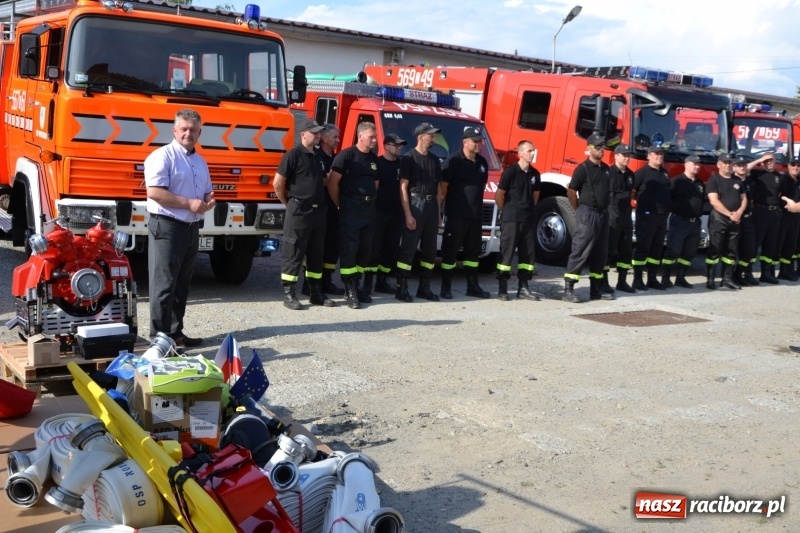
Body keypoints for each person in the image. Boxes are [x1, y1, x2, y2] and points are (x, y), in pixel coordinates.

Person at [145, 108, 215, 347]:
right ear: (175, 130)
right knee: (164, 285)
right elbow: (154, 192)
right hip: (167, 226)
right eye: (184, 129)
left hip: (191, 228)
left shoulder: (200, 161)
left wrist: (208, 199)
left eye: (193, 130)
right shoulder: (162, 156)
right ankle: (159, 340)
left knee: (182, 285)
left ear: (200, 132)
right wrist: (189, 203)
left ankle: (175, 334)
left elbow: (205, 190)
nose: (188, 133)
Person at [273, 119, 335, 310]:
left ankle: (315, 292)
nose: (317, 136)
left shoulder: (318, 156)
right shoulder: (293, 155)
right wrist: (289, 203)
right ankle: (289, 293)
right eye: (314, 133)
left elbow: (324, 181)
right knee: (294, 251)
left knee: (316, 253)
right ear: (303, 134)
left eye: (319, 133)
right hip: (299, 210)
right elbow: (278, 184)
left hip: (318, 211)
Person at [328, 122, 379, 309]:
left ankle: (357, 287)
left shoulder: (374, 159)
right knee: (350, 249)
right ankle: (350, 291)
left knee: (365, 249)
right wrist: (340, 204)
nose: (374, 140)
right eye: (371, 137)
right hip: (351, 206)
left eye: (375, 137)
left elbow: (376, 183)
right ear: (360, 136)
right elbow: (333, 183)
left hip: (369, 208)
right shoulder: (346, 155)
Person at [440, 126, 491, 299]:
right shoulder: (453, 161)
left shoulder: (482, 163)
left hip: (475, 217)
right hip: (456, 216)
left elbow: (481, 187)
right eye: (475, 141)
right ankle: (445, 287)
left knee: (472, 254)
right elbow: (443, 188)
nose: (479, 144)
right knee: (450, 252)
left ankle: (472, 286)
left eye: (480, 141)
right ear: (465, 142)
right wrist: (443, 211)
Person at [395, 122, 443, 303]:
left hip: (431, 207)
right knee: (408, 249)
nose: (434, 138)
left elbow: (438, 189)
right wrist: (408, 214)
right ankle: (402, 288)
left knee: (430, 250)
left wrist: (438, 214)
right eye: (431, 135)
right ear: (421, 136)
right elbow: (403, 187)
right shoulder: (408, 158)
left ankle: (425, 288)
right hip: (415, 204)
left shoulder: (434, 160)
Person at [562, 133, 613, 303]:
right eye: (597, 147)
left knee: (600, 253)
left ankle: (596, 290)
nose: (601, 150)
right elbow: (571, 191)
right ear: (589, 148)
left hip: (602, 215)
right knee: (580, 251)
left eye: (602, 147)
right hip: (587, 213)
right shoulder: (582, 169)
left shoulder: (606, 169)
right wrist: (579, 209)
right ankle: (568, 289)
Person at [495, 140, 541, 301]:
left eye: (533, 151)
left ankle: (524, 287)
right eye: (529, 151)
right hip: (511, 220)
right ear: (520, 153)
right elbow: (499, 196)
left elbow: (535, 197)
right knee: (506, 255)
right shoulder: (510, 172)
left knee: (527, 256)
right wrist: (507, 211)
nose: (532, 153)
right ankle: (502, 288)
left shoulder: (535, 174)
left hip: (528, 220)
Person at [363, 133, 406, 295]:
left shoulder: (402, 165)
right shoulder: (378, 163)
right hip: (379, 212)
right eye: (396, 145)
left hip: (396, 213)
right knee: (373, 248)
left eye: (400, 145)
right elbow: (374, 188)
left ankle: (382, 281)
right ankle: (367, 283)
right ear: (386, 146)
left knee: (391, 248)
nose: (399, 147)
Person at [661, 154, 705, 289]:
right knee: (673, 250)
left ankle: (680, 278)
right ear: (686, 165)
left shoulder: (699, 183)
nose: (697, 166)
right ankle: (665, 278)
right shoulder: (677, 181)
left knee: (689, 252)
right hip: (679, 221)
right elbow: (668, 200)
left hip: (695, 222)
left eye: (698, 164)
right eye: (694, 164)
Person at [631, 145, 671, 291]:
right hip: (647, 216)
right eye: (656, 154)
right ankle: (637, 279)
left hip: (662, 217)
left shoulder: (664, 173)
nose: (659, 156)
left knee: (656, 249)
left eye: (661, 154)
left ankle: (652, 278)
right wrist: (635, 202)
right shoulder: (642, 173)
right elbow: (631, 189)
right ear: (649, 156)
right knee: (643, 247)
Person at [705, 153, 746, 290]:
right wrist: (730, 214)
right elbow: (714, 201)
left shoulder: (737, 180)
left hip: (735, 219)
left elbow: (744, 198)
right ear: (718, 164)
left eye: (729, 162)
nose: (727, 165)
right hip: (719, 219)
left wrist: (739, 213)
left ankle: (727, 279)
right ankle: (710, 279)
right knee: (714, 250)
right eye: (725, 162)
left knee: (731, 251)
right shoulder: (714, 180)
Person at [747, 152, 783, 284]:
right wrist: (760, 159)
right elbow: (745, 169)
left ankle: (766, 273)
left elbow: (781, 194)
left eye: (771, 160)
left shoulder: (779, 177)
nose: (769, 163)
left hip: (774, 213)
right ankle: (748, 272)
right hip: (760, 211)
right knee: (754, 243)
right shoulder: (757, 174)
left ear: (775, 161)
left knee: (770, 244)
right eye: (766, 161)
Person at [317, 124, 345, 296]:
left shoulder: (335, 159)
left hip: (333, 209)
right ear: (324, 138)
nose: (338, 140)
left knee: (332, 247)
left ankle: (327, 281)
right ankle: (312, 283)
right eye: (335, 137)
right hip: (320, 208)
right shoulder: (316, 157)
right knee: (317, 247)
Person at [606, 143, 636, 293]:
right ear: (616, 155)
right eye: (624, 155)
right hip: (612, 214)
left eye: (628, 155)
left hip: (626, 215)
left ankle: (622, 282)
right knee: (609, 250)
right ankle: (603, 282)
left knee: (626, 249)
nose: (627, 158)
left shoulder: (630, 175)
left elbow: (631, 193)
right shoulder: (608, 172)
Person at [733, 157, 759, 286]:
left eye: (744, 165)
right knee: (732, 250)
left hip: (748, 219)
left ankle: (740, 273)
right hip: (735, 219)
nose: (742, 168)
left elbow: (752, 200)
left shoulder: (750, 182)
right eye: (739, 165)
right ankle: (729, 276)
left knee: (749, 249)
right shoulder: (731, 181)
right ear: (734, 168)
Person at [776, 157, 800, 281]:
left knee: (792, 243)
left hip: (797, 216)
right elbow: (777, 195)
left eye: (798, 165)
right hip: (784, 215)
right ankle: (781, 271)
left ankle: (787, 269)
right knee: (781, 243)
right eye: (793, 165)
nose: (796, 167)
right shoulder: (783, 179)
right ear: (789, 166)